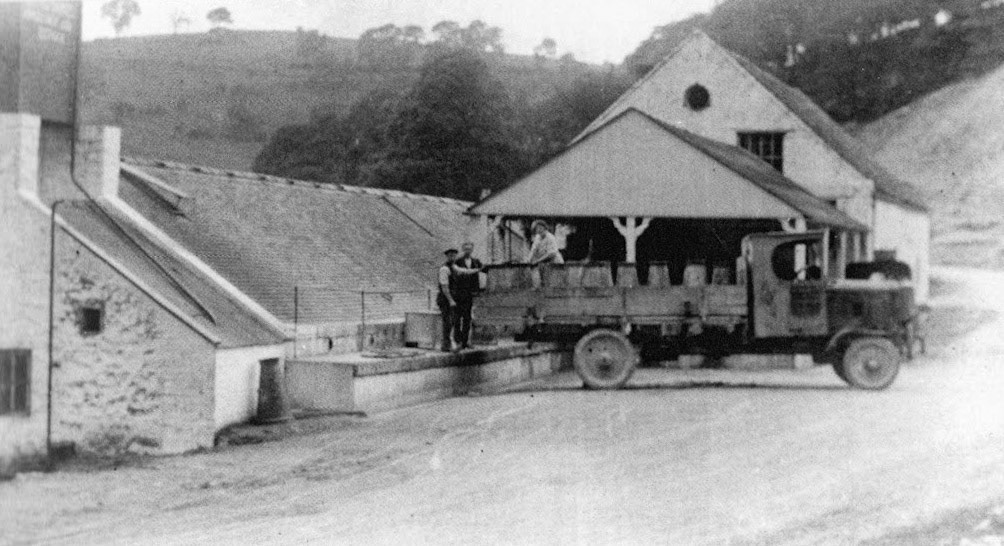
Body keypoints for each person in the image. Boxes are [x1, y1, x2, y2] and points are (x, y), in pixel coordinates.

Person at [436, 248, 481, 352]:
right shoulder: (444, 269)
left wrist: (476, 270)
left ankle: (453, 344)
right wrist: (451, 300)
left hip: (451, 298)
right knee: (447, 322)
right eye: (450, 256)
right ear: (447, 256)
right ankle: (446, 345)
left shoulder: (454, 267)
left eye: (454, 255)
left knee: (452, 321)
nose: (452, 257)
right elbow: (444, 287)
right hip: (445, 299)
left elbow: (464, 271)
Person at [452, 242, 483, 349]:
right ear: (463, 250)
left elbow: (484, 269)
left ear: (472, 250)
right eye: (466, 249)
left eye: (469, 249)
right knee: (457, 318)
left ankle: (465, 342)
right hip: (459, 294)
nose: (468, 251)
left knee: (467, 319)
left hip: (470, 295)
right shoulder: (458, 261)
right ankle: (458, 341)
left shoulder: (476, 262)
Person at [527, 220, 563, 287]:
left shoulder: (550, 237)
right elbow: (533, 249)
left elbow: (551, 254)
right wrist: (529, 260)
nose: (539, 230)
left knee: (554, 284)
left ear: (545, 228)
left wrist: (537, 261)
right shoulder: (537, 237)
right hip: (545, 263)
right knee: (543, 282)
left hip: (555, 263)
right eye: (537, 228)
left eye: (541, 228)